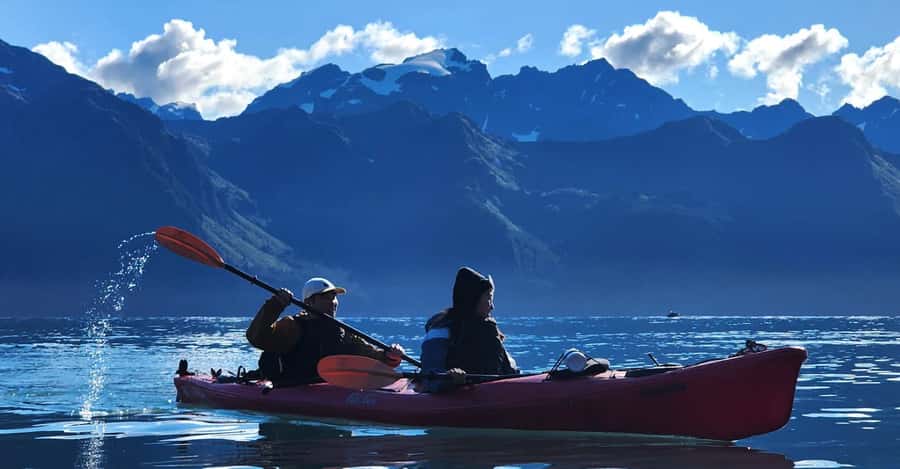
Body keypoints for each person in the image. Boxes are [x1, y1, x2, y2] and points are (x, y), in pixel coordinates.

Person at [246, 277, 404, 386]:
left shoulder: (342, 331)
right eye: (326, 297)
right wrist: (275, 304)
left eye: (334, 297)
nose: (333, 302)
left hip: (326, 387)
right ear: (309, 302)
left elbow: (371, 356)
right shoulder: (292, 326)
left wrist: (390, 356)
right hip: (287, 386)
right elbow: (256, 337)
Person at [418, 267, 519, 392]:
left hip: (488, 394)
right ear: (473, 299)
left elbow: (512, 371)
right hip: (452, 396)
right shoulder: (440, 332)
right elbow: (431, 378)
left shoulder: (489, 330)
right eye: (488, 298)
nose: (492, 306)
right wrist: (449, 380)